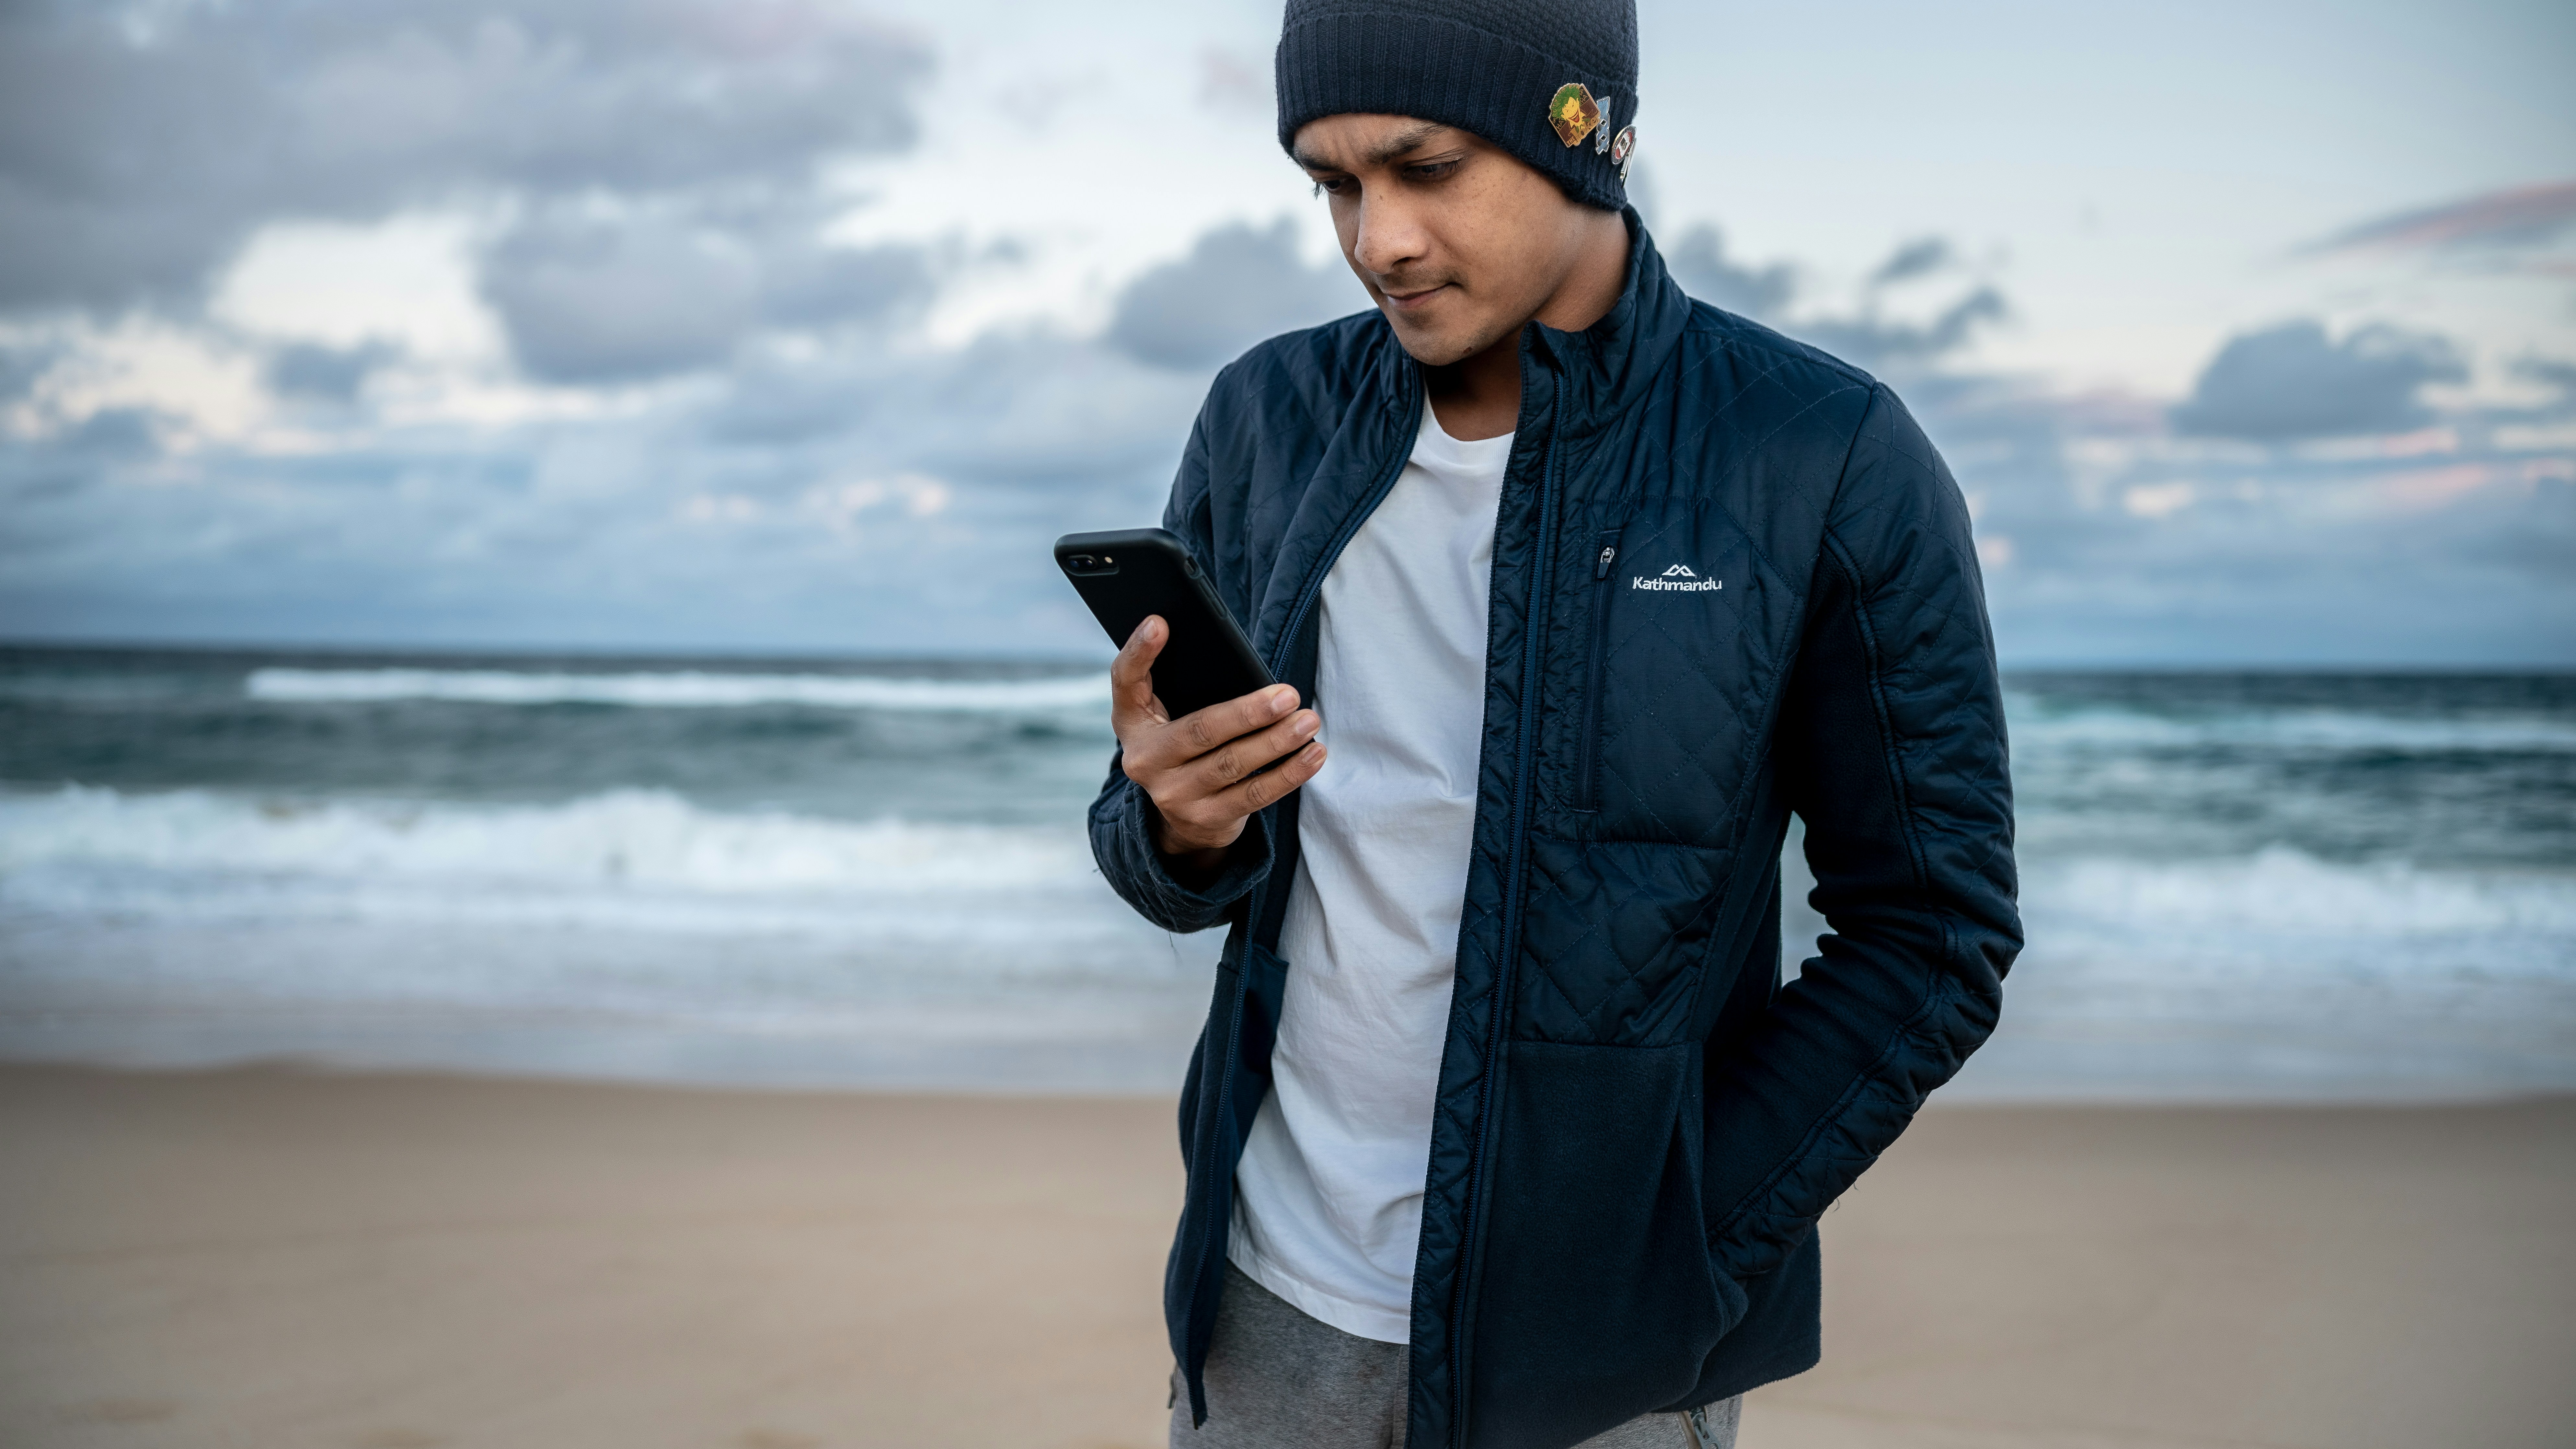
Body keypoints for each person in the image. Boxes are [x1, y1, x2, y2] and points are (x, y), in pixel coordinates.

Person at [1088, 2, 2022, 1445]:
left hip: (1603, 1353)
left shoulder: (1818, 453)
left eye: (1425, 168)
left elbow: (1933, 930)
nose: (1374, 238)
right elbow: (1163, 847)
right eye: (1333, 184)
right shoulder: (1264, 417)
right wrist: (1174, 822)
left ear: (1581, 130)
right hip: (1267, 1304)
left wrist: (1685, 1228)